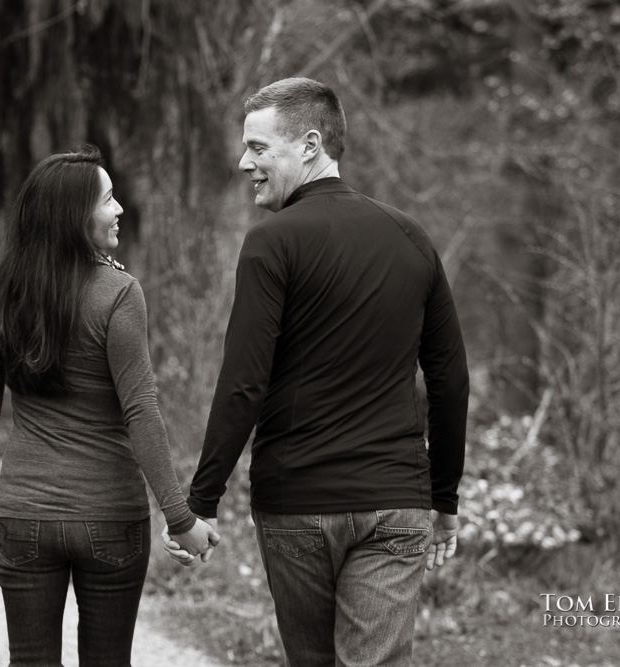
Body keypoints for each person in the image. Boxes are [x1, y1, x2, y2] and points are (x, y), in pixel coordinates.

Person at [163, 78, 469, 666]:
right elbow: (450, 380)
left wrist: (201, 502)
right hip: (395, 502)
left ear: (309, 144)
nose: (243, 161)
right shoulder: (411, 237)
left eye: (257, 147)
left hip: (297, 503)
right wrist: (444, 498)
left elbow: (244, 382)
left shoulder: (272, 243)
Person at [0, 144, 218, 667]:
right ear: (73, 217)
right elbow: (141, 409)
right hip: (110, 518)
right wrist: (180, 517)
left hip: (24, 516)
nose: (120, 208)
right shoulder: (117, 291)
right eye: (107, 199)